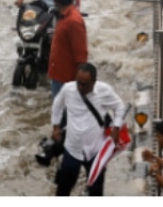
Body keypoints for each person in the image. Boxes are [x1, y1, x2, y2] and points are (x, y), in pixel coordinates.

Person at [51, 62, 127, 197]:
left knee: (96, 190)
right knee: (63, 188)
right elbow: (57, 105)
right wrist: (56, 127)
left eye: (84, 84)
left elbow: (119, 107)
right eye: (78, 83)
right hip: (72, 149)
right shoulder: (68, 89)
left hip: (95, 151)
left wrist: (116, 128)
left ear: (94, 82)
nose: (80, 87)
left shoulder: (104, 91)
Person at [46, 0, 88, 97]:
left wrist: (78, 87)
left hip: (67, 82)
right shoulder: (63, 16)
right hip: (57, 77)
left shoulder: (74, 21)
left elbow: (81, 57)